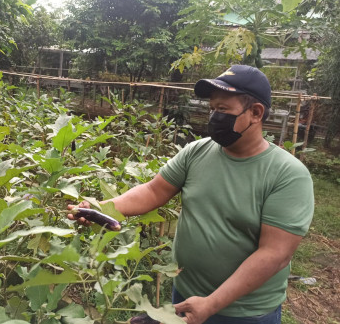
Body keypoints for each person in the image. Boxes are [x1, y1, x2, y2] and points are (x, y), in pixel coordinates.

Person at [68, 65, 314, 324]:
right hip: (186, 295)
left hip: (245, 313)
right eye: (212, 109)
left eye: (223, 110)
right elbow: (153, 190)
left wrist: (212, 303)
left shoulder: (288, 175)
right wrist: (103, 209)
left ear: (255, 113)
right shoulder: (198, 151)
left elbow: (274, 254)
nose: (214, 117)